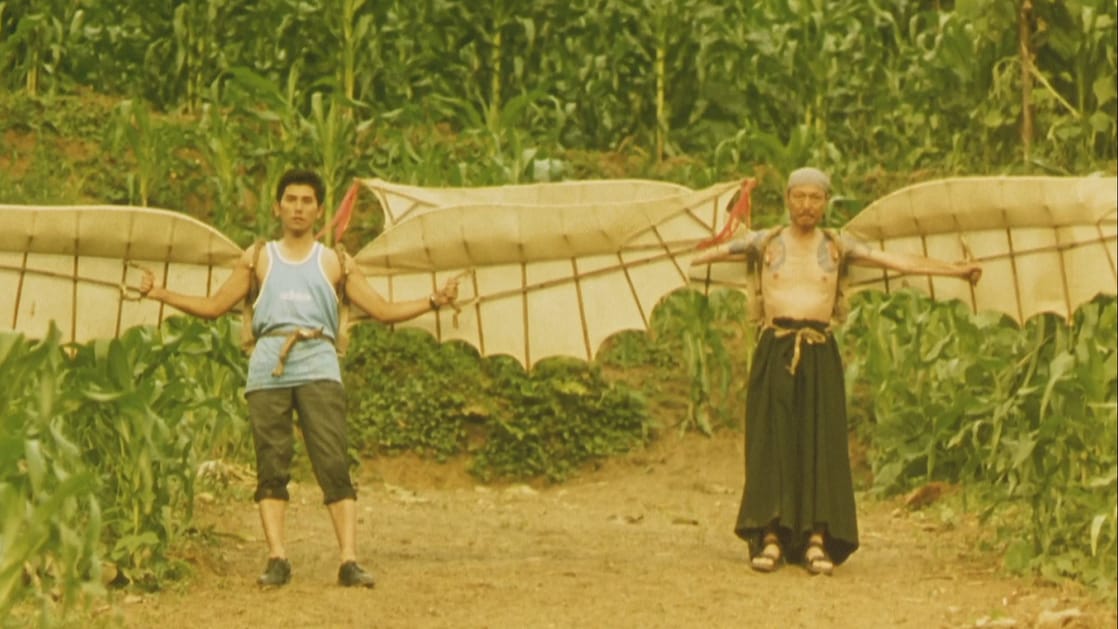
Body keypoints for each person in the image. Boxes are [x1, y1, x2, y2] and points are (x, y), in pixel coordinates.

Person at [140, 168, 459, 588]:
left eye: (307, 201)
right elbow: (215, 305)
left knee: (333, 462)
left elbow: (382, 310)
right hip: (268, 369)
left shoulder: (336, 261)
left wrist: (434, 301)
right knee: (271, 466)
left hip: (319, 367)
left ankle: (348, 560)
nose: (298, 208)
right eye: (290, 199)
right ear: (277, 206)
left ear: (319, 209)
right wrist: (160, 293)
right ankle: (277, 558)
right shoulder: (258, 257)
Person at [690, 167, 981, 575]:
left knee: (819, 442)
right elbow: (704, 255)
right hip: (774, 349)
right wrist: (667, 259)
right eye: (799, 197)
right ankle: (770, 536)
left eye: (815, 198)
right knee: (771, 441)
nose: (807, 205)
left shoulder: (838, 246)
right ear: (787, 199)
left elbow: (897, 262)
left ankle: (815, 539)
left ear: (826, 202)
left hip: (820, 352)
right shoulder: (765, 243)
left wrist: (955, 270)